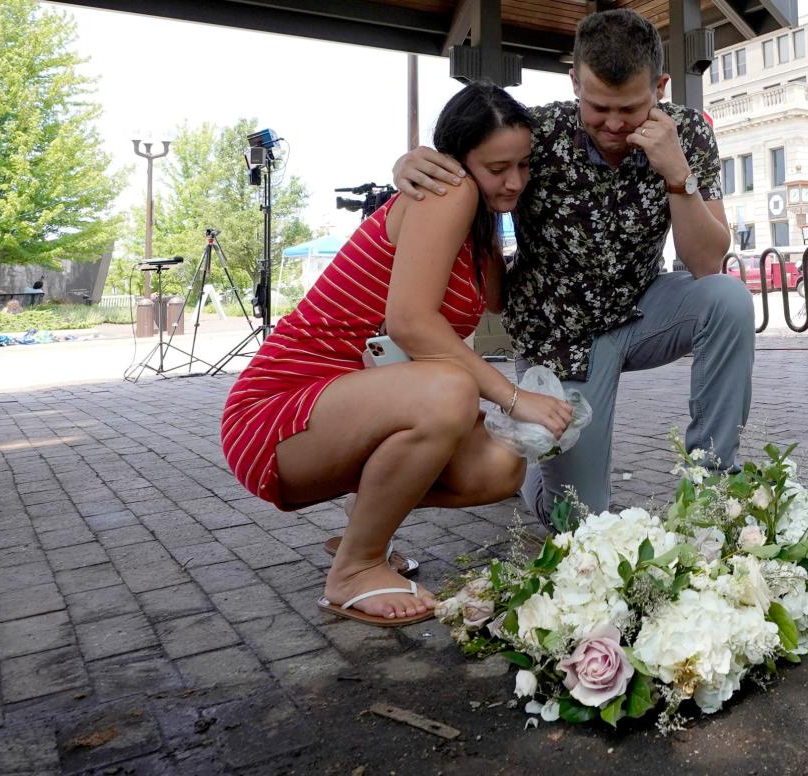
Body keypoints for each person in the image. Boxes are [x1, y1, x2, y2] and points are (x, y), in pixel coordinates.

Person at [220, 83, 574, 628]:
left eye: (525, 165)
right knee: (449, 390)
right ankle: (355, 569)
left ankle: (364, 521)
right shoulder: (447, 191)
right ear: (456, 161)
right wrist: (513, 396)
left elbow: (504, 299)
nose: (516, 181)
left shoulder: (479, 228)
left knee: (501, 466)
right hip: (277, 410)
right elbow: (411, 323)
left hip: (351, 407)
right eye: (498, 166)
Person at [393, 9, 751, 527]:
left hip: (641, 311)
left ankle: (715, 485)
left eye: (628, 109)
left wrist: (678, 175)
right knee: (578, 521)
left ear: (661, 87)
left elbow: (705, 262)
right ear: (574, 82)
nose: (611, 124)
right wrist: (406, 162)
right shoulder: (537, 134)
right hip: (559, 335)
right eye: (596, 106)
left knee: (729, 299)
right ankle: (532, 471)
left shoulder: (689, 134)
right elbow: (470, 156)